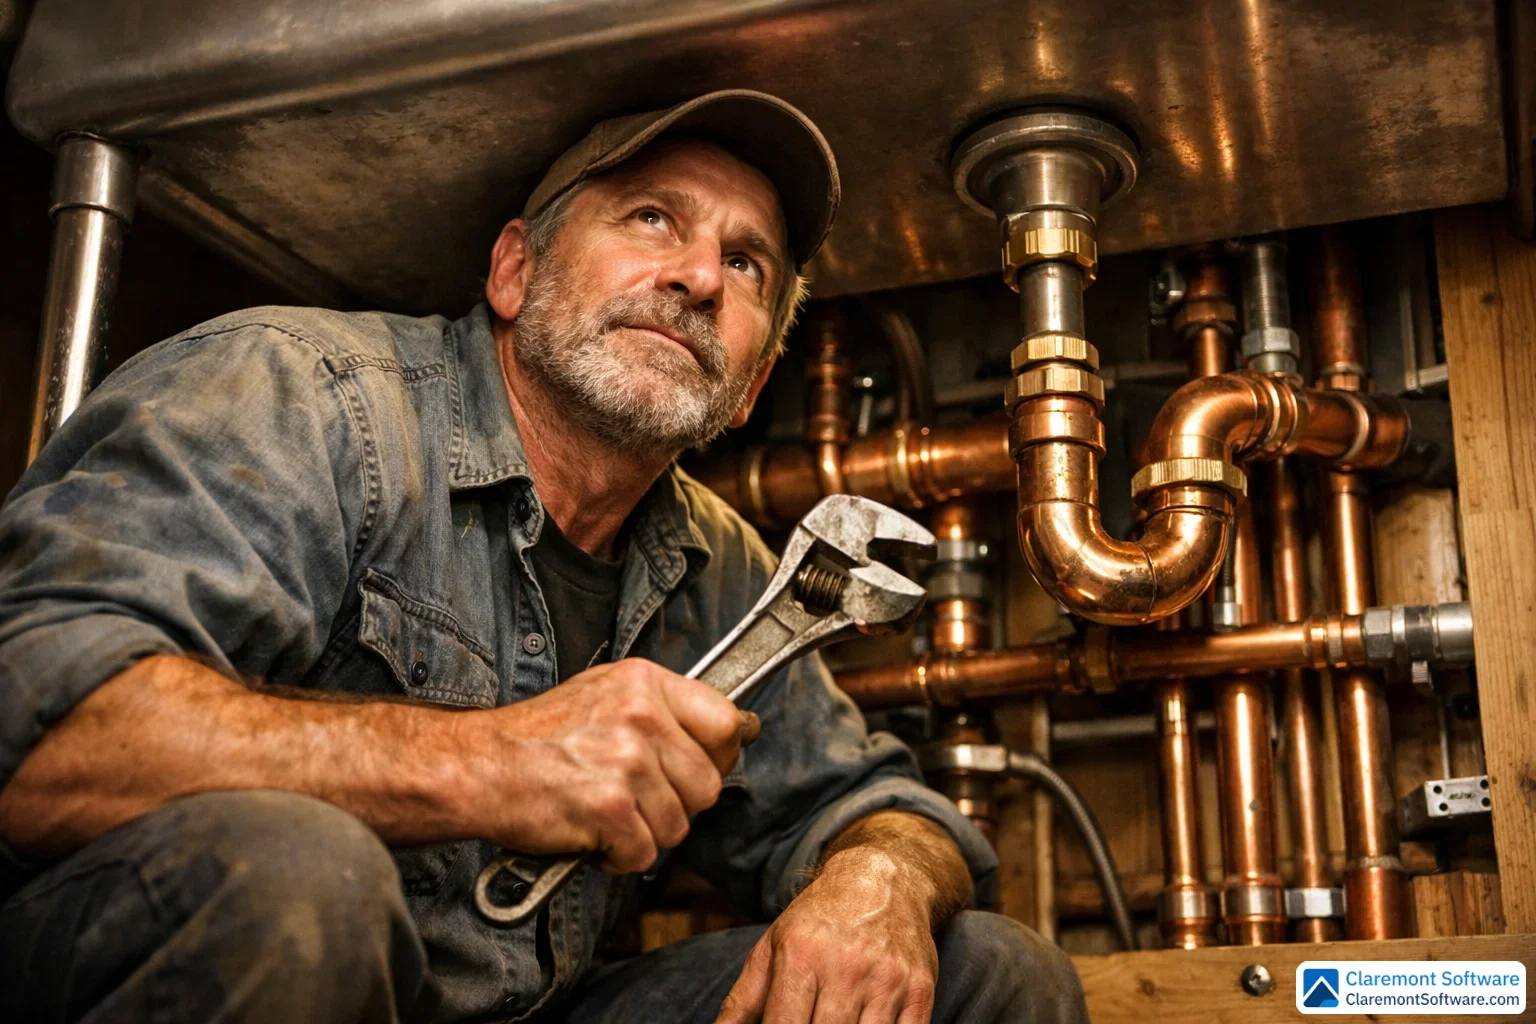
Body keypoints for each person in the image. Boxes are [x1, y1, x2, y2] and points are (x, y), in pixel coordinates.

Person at [0, 89, 1086, 1023]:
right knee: (294, 877)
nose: (701, 277)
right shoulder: (296, 397)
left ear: (752, 389)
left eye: (746, 263)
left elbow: (863, 801)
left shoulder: (720, 564)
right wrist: (490, 761)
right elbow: (34, 725)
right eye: (653, 218)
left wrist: (880, 876)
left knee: (987, 974)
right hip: (192, 962)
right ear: (515, 271)